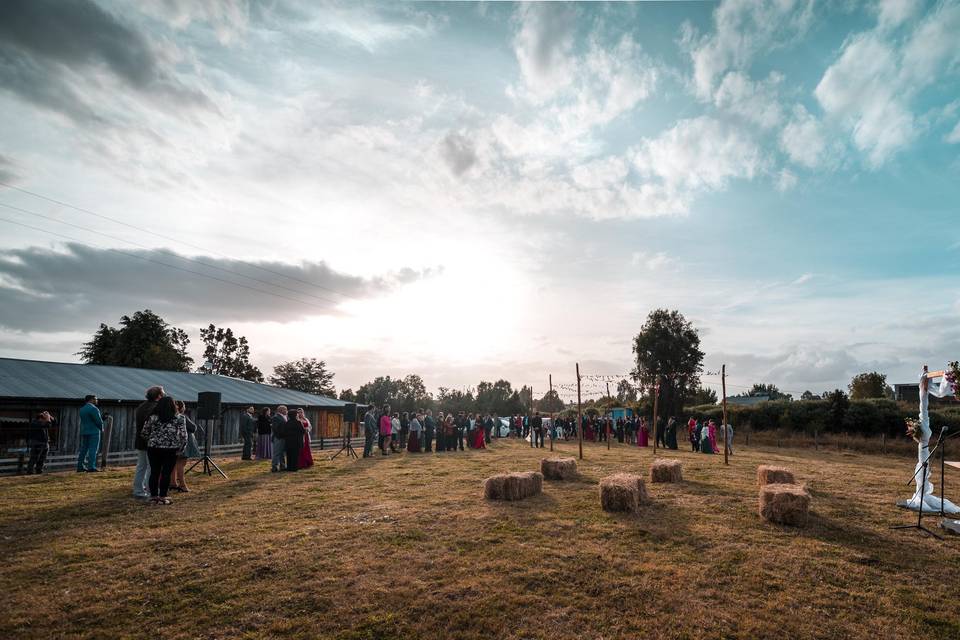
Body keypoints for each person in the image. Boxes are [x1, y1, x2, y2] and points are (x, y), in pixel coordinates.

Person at [142, 396, 187, 505]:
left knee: (154, 472)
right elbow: (183, 436)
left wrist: (151, 441)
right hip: (171, 449)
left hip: (154, 448)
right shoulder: (179, 418)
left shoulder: (152, 417)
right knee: (166, 473)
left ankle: (153, 496)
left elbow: (144, 432)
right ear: (173, 405)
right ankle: (162, 496)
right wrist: (181, 449)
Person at [133, 386, 163, 497]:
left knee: (141, 467)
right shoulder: (156, 407)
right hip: (151, 441)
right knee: (152, 467)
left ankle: (138, 491)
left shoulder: (141, 406)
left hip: (140, 440)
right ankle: (151, 490)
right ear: (159, 395)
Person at [171, 400, 200, 492]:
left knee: (174, 464)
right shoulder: (182, 417)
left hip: (173, 443)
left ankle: (173, 483)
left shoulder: (169, 417)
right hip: (183, 443)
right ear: (181, 408)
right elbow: (193, 427)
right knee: (181, 464)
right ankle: (182, 485)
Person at [77, 394, 103, 472]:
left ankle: (80, 466)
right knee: (93, 449)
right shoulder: (94, 409)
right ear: (91, 400)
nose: (97, 400)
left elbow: (89, 420)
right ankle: (91, 467)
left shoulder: (82, 409)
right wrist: (102, 428)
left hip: (85, 431)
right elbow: (98, 421)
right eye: (95, 399)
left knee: (84, 449)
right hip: (94, 431)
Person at [284, 407, 302, 471]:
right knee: (295, 455)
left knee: (289, 455)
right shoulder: (298, 422)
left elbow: (284, 432)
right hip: (296, 441)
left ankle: (289, 467)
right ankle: (294, 468)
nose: (298, 415)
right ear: (295, 415)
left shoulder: (287, 423)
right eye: (297, 414)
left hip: (288, 441)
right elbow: (302, 431)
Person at [271, 405, 288, 472]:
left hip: (284, 437)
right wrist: (281, 435)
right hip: (278, 437)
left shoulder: (285, 417)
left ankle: (282, 466)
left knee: (282, 453)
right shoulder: (276, 417)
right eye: (285, 410)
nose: (287, 411)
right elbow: (275, 429)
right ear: (281, 410)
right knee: (277, 452)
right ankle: (274, 467)